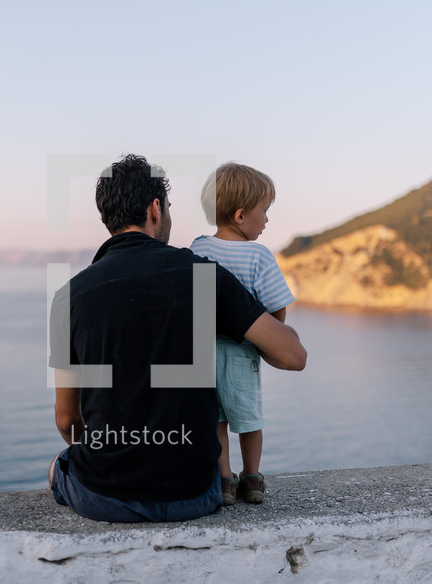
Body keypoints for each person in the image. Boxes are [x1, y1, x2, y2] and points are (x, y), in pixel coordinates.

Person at [47, 154, 306, 522]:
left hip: (107, 497)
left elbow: (67, 419)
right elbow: (292, 356)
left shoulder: (67, 298)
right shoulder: (202, 275)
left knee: (60, 464)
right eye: (168, 207)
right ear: (155, 210)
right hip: (198, 494)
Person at [190, 162, 295, 506]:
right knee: (249, 417)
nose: (267, 219)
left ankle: (224, 480)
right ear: (240, 215)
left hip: (203, 352)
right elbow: (277, 308)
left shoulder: (197, 248)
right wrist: (271, 333)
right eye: (264, 211)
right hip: (241, 351)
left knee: (215, 418)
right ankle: (252, 479)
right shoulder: (258, 255)